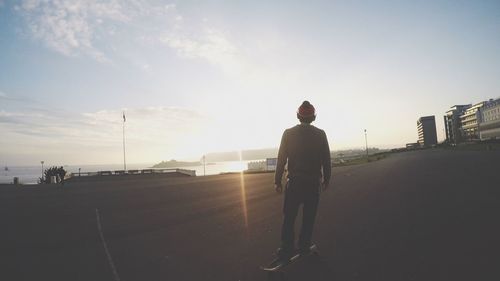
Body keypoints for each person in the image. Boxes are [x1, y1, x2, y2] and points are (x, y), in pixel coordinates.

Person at [274, 100, 331, 259]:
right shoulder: (321, 134)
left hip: (294, 183)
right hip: (313, 183)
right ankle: (304, 246)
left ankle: (286, 248)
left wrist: (277, 181)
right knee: (308, 217)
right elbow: (326, 159)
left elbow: (281, 159)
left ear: (298, 116)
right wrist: (327, 178)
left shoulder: (288, 133)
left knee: (289, 217)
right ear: (314, 117)